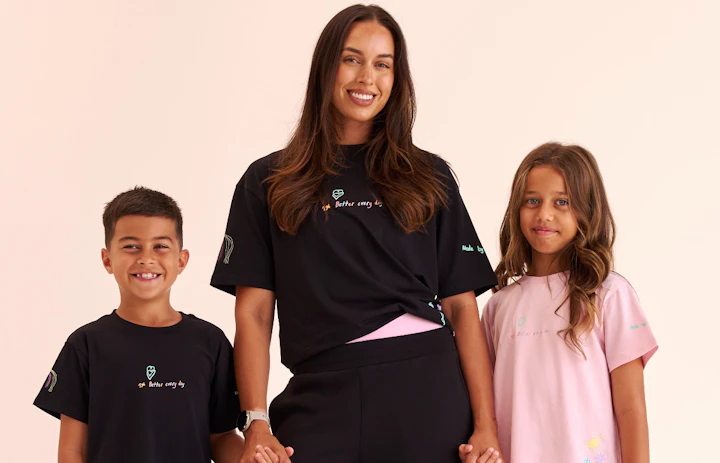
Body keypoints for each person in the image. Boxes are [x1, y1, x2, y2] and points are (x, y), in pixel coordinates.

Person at [211, 4, 502, 463]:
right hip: (323, 392)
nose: (367, 77)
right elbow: (254, 313)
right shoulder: (268, 181)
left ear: (397, 78)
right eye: (352, 59)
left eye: (383, 64)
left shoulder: (429, 176)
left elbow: (463, 310)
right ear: (326, 66)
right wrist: (257, 422)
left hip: (428, 390)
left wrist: (486, 424)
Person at [33, 187, 274, 463]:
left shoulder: (210, 342)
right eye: (131, 246)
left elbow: (220, 438)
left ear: (181, 260)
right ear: (107, 259)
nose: (146, 258)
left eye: (160, 246)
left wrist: (252, 458)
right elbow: (73, 450)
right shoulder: (85, 345)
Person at [460, 143, 658, 462]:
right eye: (532, 201)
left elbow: (631, 410)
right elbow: (485, 407)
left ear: (586, 210)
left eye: (562, 202)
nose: (544, 214)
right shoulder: (499, 307)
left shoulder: (610, 295)